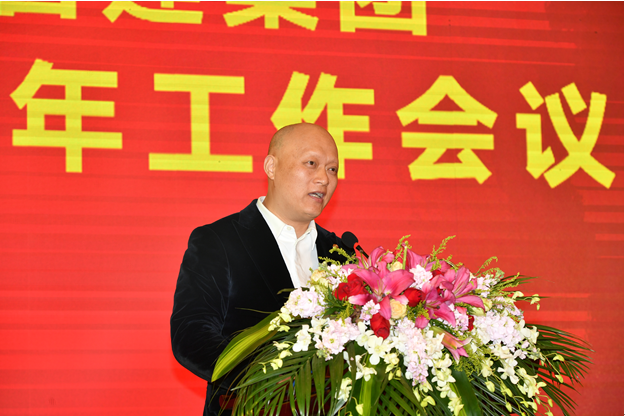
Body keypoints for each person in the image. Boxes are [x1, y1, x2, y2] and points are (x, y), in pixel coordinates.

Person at [170, 123, 353, 415]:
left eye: (332, 169)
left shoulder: (341, 253)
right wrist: (270, 380)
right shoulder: (220, 241)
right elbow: (191, 335)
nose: (324, 178)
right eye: (311, 164)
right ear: (271, 166)